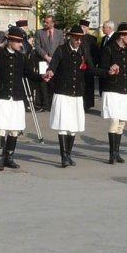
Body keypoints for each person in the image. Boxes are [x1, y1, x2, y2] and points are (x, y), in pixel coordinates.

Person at [0, 25, 49, 171]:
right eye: (18, 42)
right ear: (9, 41)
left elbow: (29, 73)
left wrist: (42, 77)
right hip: (1, 96)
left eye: (21, 42)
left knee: (14, 129)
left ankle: (9, 158)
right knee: (0, 128)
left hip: (17, 97)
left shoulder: (21, 57)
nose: (20, 45)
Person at [96, 22, 127, 164]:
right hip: (112, 90)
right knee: (114, 121)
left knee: (121, 122)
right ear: (122, 36)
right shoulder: (108, 49)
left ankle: (117, 152)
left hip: (125, 90)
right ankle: (111, 153)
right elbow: (102, 69)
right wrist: (110, 70)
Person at [48, 24, 89, 168]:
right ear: (70, 37)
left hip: (77, 93)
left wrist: (108, 71)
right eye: (76, 38)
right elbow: (53, 65)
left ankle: (69, 155)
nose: (78, 41)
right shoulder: (61, 50)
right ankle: (63, 156)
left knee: (73, 126)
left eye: (80, 39)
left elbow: (91, 68)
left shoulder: (82, 51)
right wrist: (50, 72)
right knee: (63, 126)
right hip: (63, 93)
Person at [32, 15, 62, 111]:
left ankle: (53, 104)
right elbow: (37, 46)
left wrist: (55, 58)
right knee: (43, 82)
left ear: (52, 23)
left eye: (47, 22)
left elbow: (61, 46)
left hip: (55, 61)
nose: (45, 24)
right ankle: (44, 104)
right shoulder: (39, 33)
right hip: (43, 61)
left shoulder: (59, 33)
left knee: (53, 81)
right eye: (44, 22)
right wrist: (46, 57)